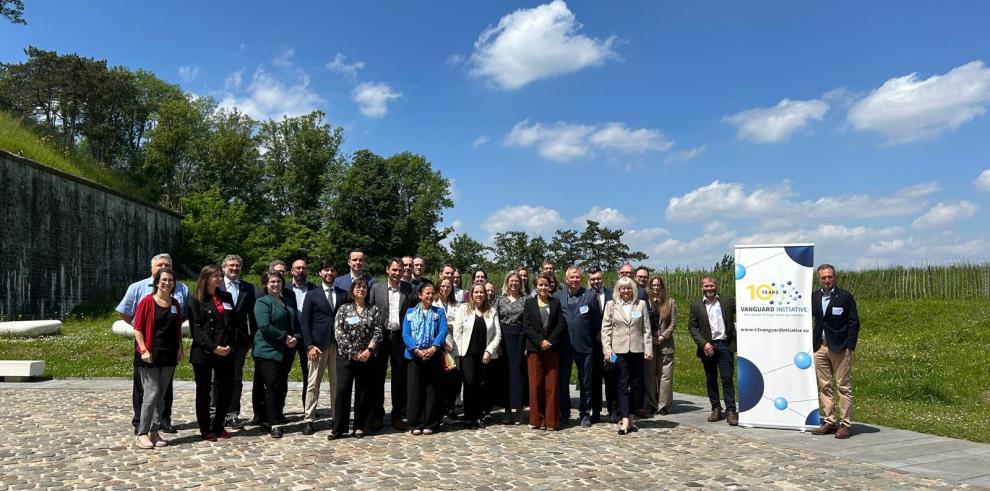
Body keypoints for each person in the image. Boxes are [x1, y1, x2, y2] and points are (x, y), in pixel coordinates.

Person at [116, 253, 189, 435]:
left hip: (169, 350)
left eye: (168, 266)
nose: (166, 280)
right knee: (147, 391)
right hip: (147, 347)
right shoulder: (141, 292)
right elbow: (131, 319)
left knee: (163, 392)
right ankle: (141, 426)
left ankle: (160, 424)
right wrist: (142, 345)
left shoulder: (179, 294)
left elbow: (179, 322)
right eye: (160, 266)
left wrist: (180, 348)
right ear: (153, 272)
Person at [131, 267, 184, 449]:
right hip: (150, 356)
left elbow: (177, 330)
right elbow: (137, 328)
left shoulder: (175, 304)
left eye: (170, 280)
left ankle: (155, 431)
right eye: (164, 280)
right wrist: (143, 350)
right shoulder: (147, 302)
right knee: (151, 393)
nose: (167, 283)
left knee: (161, 396)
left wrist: (180, 349)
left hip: (169, 355)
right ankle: (142, 433)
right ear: (157, 283)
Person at [188, 264, 237, 441]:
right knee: (203, 391)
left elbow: (232, 324)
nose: (220, 279)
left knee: (226, 388)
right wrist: (213, 347)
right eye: (216, 276)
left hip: (225, 351)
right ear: (206, 278)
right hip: (205, 352)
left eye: (220, 275)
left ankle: (218, 425)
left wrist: (229, 345)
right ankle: (205, 428)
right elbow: (197, 328)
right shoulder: (196, 299)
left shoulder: (226, 296)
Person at [811, 264, 860, 439]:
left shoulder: (845, 297)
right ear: (819, 278)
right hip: (820, 347)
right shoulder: (814, 297)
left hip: (839, 347)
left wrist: (850, 345)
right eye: (823, 277)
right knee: (824, 386)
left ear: (835, 277)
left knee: (843, 386)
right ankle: (829, 421)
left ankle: (845, 424)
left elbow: (854, 322)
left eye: (829, 277)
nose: (827, 280)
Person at [330, 278, 383, 439]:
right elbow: (339, 332)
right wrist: (353, 352)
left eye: (364, 287)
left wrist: (369, 350)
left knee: (363, 391)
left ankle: (360, 426)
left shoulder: (373, 310)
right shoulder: (344, 309)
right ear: (352, 290)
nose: (361, 289)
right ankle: (339, 428)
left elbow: (378, 331)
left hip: (367, 358)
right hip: (346, 357)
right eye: (358, 287)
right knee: (343, 390)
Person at [368, 258, 417, 431]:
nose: (397, 273)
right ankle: (378, 415)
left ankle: (397, 415)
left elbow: (413, 314)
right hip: (380, 338)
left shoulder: (409, 289)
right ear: (387, 270)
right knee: (377, 378)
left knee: (399, 379)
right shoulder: (375, 288)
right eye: (394, 270)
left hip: (399, 338)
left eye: (400, 270)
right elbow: (370, 313)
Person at [299, 261, 346, 436]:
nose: (329, 273)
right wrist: (309, 345)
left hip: (338, 346)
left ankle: (336, 417)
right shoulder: (312, 294)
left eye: (333, 270)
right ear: (320, 273)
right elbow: (305, 322)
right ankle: (309, 419)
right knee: (313, 384)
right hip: (317, 347)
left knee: (337, 384)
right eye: (326, 270)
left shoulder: (342, 294)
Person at [602, 276, 653, 435]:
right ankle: (624, 419)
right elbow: (606, 329)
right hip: (619, 351)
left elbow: (647, 329)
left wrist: (649, 349)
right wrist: (607, 350)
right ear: (618, 290)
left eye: (629, 288)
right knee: (623, 384)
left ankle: (631, 418)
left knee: (637, 385)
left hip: (637, 350)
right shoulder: (611, 305)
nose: (626, 291)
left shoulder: (641, 304)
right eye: (623, 288)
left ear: (633, 289)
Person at [253, 270, 299, 438]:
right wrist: (284, 337)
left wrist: (296, 337)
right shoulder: (262, 302)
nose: (275, 284)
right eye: (272, 282)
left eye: (278, 282)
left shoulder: (287, 301)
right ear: (266, 284)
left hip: (286, 350)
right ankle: (273, 423)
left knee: (281, 385)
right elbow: (264, 326)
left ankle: (277, 414)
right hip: (268, 351)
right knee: (271, 386)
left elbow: (295, 322)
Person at [687, 275, 738, 426]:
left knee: (727, 379)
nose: (709, 289)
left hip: (725, 345)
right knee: (711, 379)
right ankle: (716, 408)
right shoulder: (696, 305)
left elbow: (745, 308)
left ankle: (730, 411)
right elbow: (692, 326)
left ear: (716, 286)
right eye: (706, 286)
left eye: (711, 286)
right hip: (707, 347)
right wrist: (703, 343)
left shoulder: (728, 301)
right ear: (701, 288)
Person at [215, 254, 257, 429]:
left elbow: (252, 316)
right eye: (231, 265)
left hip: (240, 339)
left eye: (237, 266)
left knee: (236, 378)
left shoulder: (248, 287)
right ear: (224, 267)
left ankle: (233, 413)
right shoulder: (216, 284)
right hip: (219, 338)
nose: (234, 268)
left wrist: (252, 338)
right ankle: (217, 412)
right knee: (217, 378)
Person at [451, 283, 502, 428]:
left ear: (485, 295)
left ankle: (479, 415)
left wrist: (489, 351)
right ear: (471, 294)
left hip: (484, 355)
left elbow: (497, 335)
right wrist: (459, 354)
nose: (479, 295)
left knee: (482, 385)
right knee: (469, 384)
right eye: (476, 292)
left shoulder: (491, 311)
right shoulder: (463, 309)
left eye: (482, 292)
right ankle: (469, 416)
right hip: (467, 353)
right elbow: (457, 332)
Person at [554, 266, 600, 427]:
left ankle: (585, 413)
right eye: (571, 277)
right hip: (564, 346)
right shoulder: (558, 296)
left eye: (577, 277)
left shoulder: (590, 297)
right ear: (566, 279)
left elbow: (596, 322)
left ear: (582, 279)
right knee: (563, 381)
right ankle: (564, 413)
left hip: (584, 346)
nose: (574, 280)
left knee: (585, 381)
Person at [522, 273, 567, 431]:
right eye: (540, 285)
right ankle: (536, 419)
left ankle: (551, 421)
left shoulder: (555, 303)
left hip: (552, 348)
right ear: (536, 286)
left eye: (546, 285)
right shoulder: (529, 303)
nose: (543, 287)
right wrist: (540, 341)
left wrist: (550, 341)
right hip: (535, 348)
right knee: (535, 384)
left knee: (551, 384)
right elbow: (526, 325)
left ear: (550, 286)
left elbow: (561, 324)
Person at [402, 282, 448, 435]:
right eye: (426, 293)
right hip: (414, 356)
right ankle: (416, 423)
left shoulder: (439, 311)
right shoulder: (410, 312)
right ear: (420, 295)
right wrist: (415, 349)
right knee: (415, 390)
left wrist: (434, 348)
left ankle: (431, 422)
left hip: (433, 355)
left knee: (432, 390)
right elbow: (406, 334)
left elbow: (443, 331)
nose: (429, 296)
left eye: (431, 293)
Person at [493, 272, 528, 424]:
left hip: (520, 338)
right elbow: (494, 321)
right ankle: (507, 410)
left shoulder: (527, 300)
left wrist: (527, 344)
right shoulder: (499, 300)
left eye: (517, 281)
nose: (514, 283)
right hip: (503, 339)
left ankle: (519, 409)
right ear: (507, 283)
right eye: (511, 281)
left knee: (519, 374)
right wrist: (496, 344)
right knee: (504, 375)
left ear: (521, 283)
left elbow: (529, 322)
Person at [587, 267, 617, 423]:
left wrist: (605, 335)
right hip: (592, 345)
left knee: (612, 378)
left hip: (611, 344)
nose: (596, 282)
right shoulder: (585, 296)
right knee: (594, 379)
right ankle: (596, 412)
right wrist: (595, 334)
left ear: (603, 278)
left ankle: (613, 411)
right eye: (592, 279)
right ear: (589, 280)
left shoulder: (613, 294)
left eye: (598, 278)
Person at [643, 274, 676, 416]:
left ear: (662, 286)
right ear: (650, 287)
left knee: (665, 376)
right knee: (649, 376)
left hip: (665, 344)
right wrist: (651, 337)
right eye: (654, 285)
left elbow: (673, 323)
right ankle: (650, 403)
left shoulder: (670, 302)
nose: (656, 287)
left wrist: (663, 336)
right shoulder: (645, 302)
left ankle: (664, 405)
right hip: (650, 343)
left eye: (658, 285)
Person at [433, 277, 461, 420]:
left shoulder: (457, 305)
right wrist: (448, 324)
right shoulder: (433, 303)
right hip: (438, 345)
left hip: (454, 346)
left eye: (448, 286)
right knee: (439, 379)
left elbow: (460, 323)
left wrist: (450, 324)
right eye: (443, 286)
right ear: (438, 287)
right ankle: (439, 410)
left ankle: (450, 409)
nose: (445, 288)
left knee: (453, 379)